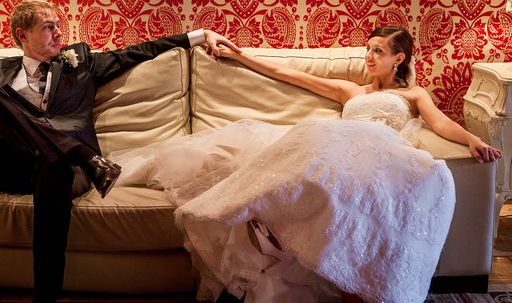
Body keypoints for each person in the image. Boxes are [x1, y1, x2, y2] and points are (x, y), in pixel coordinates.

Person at [110, 26, 501, 303]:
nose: (368, 56)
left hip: (382, 151)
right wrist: (239, 55)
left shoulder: (415, 94)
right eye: (368, 48)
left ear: (399, 58)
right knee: (304, 143)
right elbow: (286, 73)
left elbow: (440, 123)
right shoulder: (351, 90)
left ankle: (356, 278)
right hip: (341, 142)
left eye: (378, 50)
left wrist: (472, 139)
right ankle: (268, 227)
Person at [0, 0, 240, 303]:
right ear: (23, 35)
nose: (58, 33)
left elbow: (139, 51)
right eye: (48, 27)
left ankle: (45, 299)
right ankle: (82, 154)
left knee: (55, 166)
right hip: (18, 168)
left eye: (58, 26)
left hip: (65, 173)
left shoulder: (81, 63)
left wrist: (199, 35)